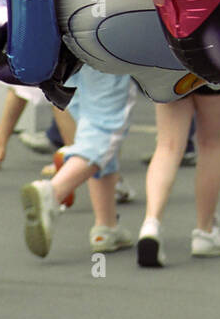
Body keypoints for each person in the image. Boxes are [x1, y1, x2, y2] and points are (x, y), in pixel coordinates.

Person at [20, 65, 137, 259]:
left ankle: (106, 225)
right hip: (103, 49)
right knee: (104, 130)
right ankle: (54, 192)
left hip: (67, 54)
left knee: (91, 129)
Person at [137, 82, 220, 267]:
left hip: (173, 63)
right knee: (211, 145)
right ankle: (205, 231)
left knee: (167, 145)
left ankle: (151, 223)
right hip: (216, 60)